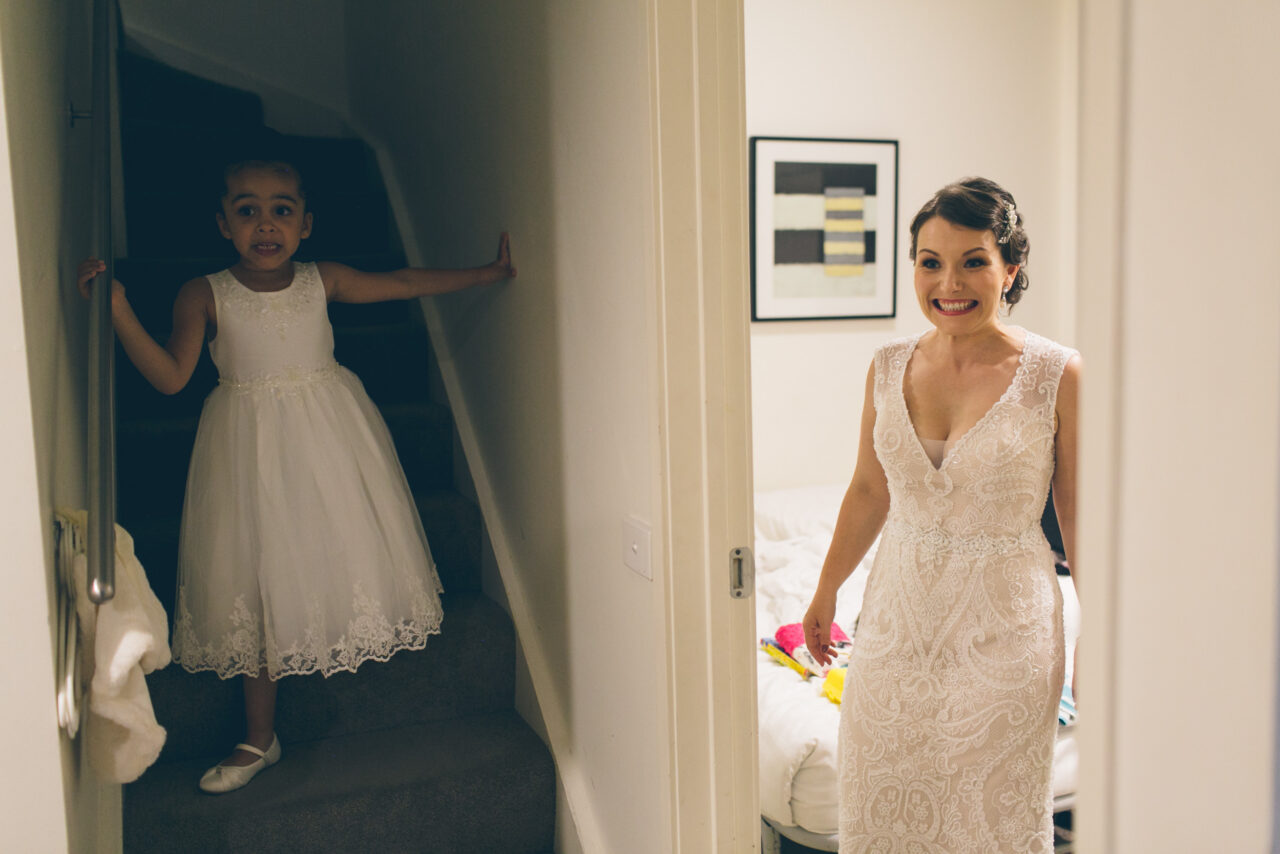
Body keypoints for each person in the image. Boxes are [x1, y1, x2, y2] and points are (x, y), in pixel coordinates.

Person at [79, 158, 516, 794]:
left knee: (325, 556)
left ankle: (294, 704)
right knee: (257, 582)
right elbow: (171, 378)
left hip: (327, 441)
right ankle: (260, 736)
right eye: (247, 210)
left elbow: (401, 282)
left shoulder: (323, 279)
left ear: (305, 224)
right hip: (247, 454)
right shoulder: (203, 293)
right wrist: (118, 310)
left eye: (281, 210)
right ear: (223, 223)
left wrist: (486, 273)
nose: (265, 224)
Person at [802, 177, 1079, 852]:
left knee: (989, 824)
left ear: (1010, 267)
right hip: (895, 629)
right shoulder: (887, 366)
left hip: (1006, 638)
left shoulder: (1057, 374)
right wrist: (826, 589)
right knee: (881, 810)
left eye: (972, 261)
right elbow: (869, 491)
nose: (948, 283)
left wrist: (1099, 634)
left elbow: (1081, 516)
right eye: (930, 262)